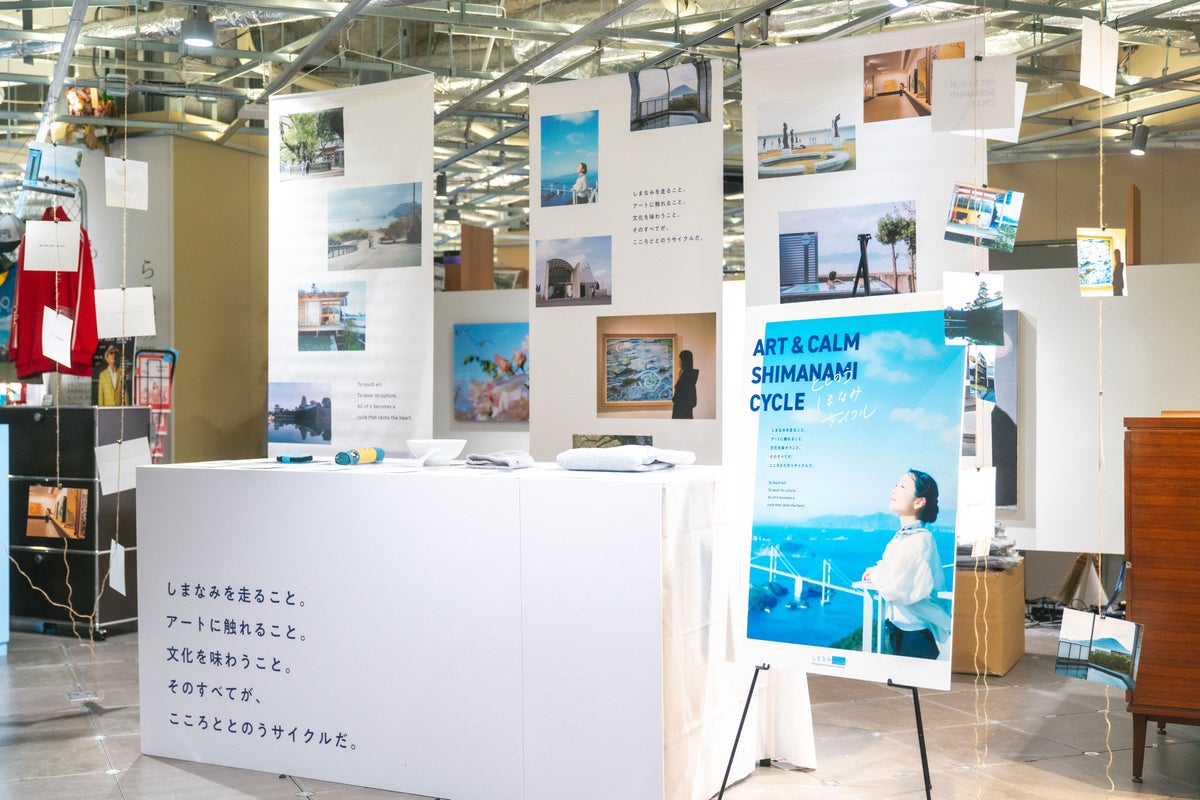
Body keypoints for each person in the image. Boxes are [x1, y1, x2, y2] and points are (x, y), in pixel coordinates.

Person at [862, 469, 950, 659]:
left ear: (919, 502)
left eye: (902, 486)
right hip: (898, 629)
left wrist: (874, 574)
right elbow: (891, 569)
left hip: (918, 634)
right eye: (896, 485)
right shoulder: (902, 537)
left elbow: (896, 587)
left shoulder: (921, 539)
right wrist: (876, 570)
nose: (894, 490)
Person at [671, 349, 699, 419]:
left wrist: (675, 399)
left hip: (681, 414)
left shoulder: (686, 377)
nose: (678, 362)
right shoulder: (688, 376)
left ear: (684, 361)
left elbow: (681, 397)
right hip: (685, 412)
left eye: (680, 359)